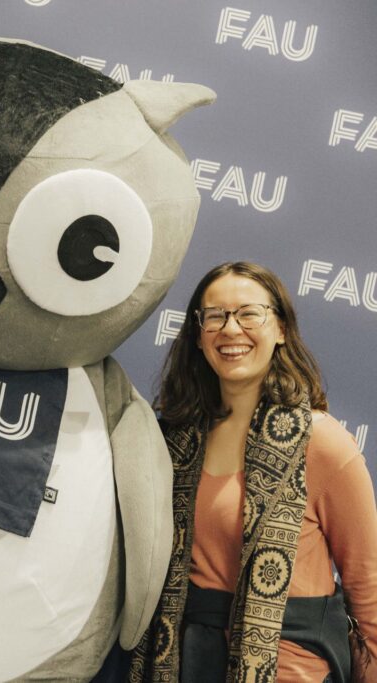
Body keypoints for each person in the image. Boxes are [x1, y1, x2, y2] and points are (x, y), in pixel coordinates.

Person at [129, 261, 377, 682]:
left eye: (249, 314)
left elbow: (367, 590)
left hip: (290, 669)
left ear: (280, 329)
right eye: (215, 316)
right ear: (198, 334)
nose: (230, 329)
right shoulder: (173, 440)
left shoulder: (322, 444)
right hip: (180, 663)